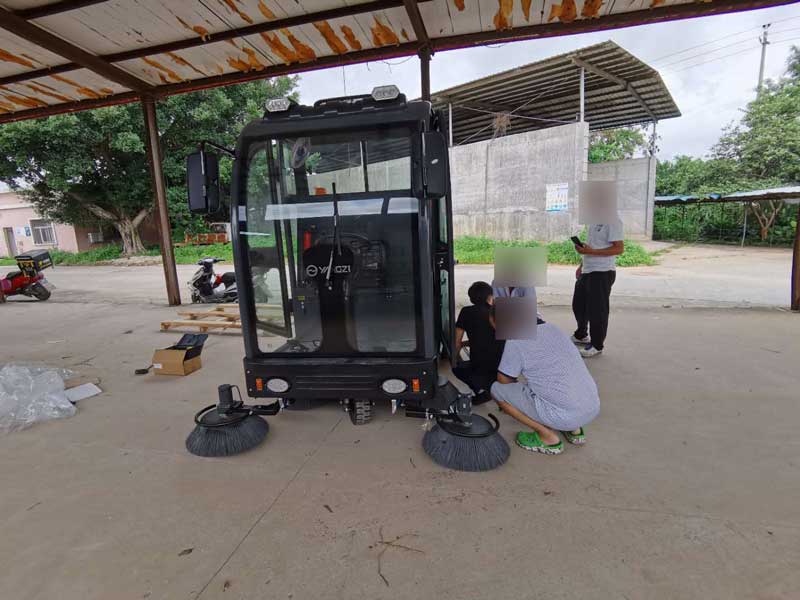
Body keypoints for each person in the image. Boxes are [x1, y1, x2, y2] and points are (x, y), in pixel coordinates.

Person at [490, 306, 600, 455]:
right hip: (591, 407)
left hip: (565, 416)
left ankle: (547, 437)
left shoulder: (515, 341)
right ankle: (574, 430)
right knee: (553, 381)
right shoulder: (553, 328)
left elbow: (504, 381)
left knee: (497, 390)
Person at [571, 219, 624, 358]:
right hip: (588, 269)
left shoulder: (613, 221)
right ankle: (581, 335)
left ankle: (597, 345)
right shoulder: (593, 221)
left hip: (602, 271)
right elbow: (592, 246)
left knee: (597, 311)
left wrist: (592, 251)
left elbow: (619, 248)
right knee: (579, 305)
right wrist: (582, 265)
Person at [452, 281, 504, 405]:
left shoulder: (466, 312)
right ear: (489, 297)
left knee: (457, 369)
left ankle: (481, 391)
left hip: (479, 365)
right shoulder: (499, 312)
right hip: (502, 365)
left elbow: (457, 342)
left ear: (471, 298)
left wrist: (453, 359)